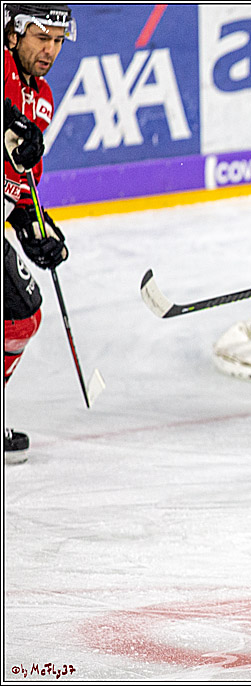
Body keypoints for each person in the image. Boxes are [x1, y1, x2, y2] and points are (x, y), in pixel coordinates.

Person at [3, 4, 74, 461]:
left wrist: (34, 226)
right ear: (13, 33)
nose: (50, 50)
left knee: (22, 317)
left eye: (57, 41)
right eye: (41, 37)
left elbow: (20, 181)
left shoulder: (42, 98)